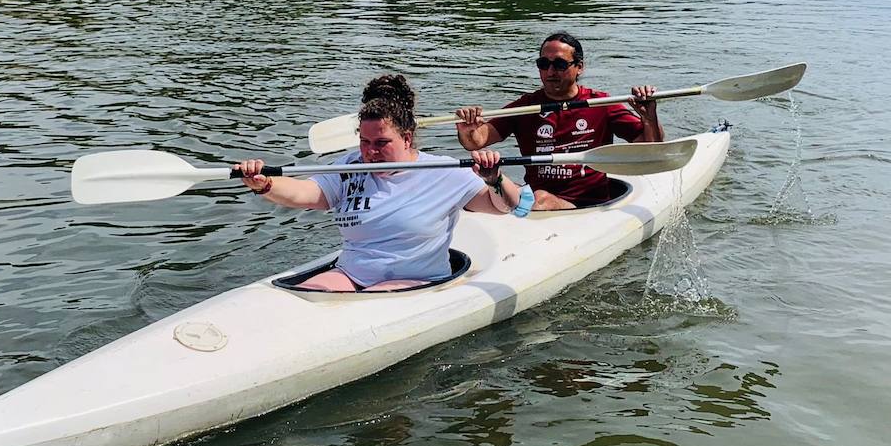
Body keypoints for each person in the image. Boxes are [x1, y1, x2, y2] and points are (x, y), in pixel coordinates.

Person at [236, 74, 523, 292]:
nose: (370, 152)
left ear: (407, 138)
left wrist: (494, 178)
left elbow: (504, 206)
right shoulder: (349, 165)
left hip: (417, 281)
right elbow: (307, 193)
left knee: (362, 302)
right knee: (308, 294)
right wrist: (265, 183)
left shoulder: (443, 171)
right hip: (351, 275)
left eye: (382, 143)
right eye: (364, 142)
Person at [455, 31, 661, 210]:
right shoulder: (526, 106)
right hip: (538, 199)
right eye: (543, 64)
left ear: (579, 67)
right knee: (477, 183)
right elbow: (476, 142)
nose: (551, 72)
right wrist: (468, 128)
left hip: (586, 202)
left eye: (560, 64)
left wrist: (648, 116)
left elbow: (652, 150)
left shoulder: (601, 104)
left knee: (541, 199)